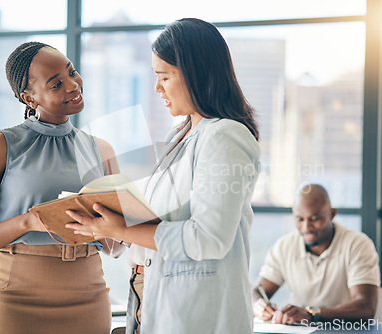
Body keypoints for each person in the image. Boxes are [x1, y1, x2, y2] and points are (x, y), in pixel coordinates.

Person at [65, 18, 261, 334]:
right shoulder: (181, 135)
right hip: (152, 302)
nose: (157, 87)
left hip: (198, 315)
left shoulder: (226, 136)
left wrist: (122, 228)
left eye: (164, 77)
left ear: (197, 74)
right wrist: (110, 218)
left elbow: (208, 238)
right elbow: (162, 221)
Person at [0, 41, 125, 334]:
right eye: (56, 83)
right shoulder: (1, 146)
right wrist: (29, 221)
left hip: (88, 298)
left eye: (72, 72)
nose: (73, 85)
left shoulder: (102, 151)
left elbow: (116, 248)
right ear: (29, 98)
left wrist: (113, 227)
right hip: (14, 299)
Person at [252, 184, 380, 325]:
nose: (307, 227)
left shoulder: (358, 245)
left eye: (314, 219)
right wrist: (260, 305)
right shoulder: (284, 246)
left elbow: (366, 307)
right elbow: (256, 292)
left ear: (332, 214)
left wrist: (312, 314)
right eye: (300, 219)